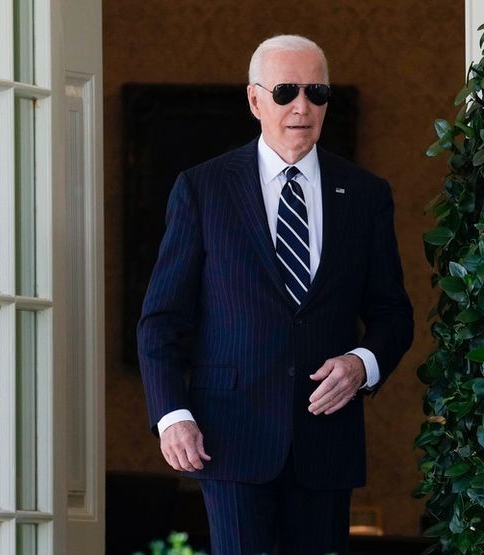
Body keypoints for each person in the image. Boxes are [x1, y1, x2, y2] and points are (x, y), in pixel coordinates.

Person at [137, 34, 414, 555]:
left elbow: (392, 313)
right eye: (286, 91)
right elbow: (162, 320)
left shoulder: (365, 194)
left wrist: (361, 364)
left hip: (325, 439)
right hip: (229, 439)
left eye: (317, 92)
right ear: (255, 100)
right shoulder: (203, 189)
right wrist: (173, 415)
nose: (302, 107)